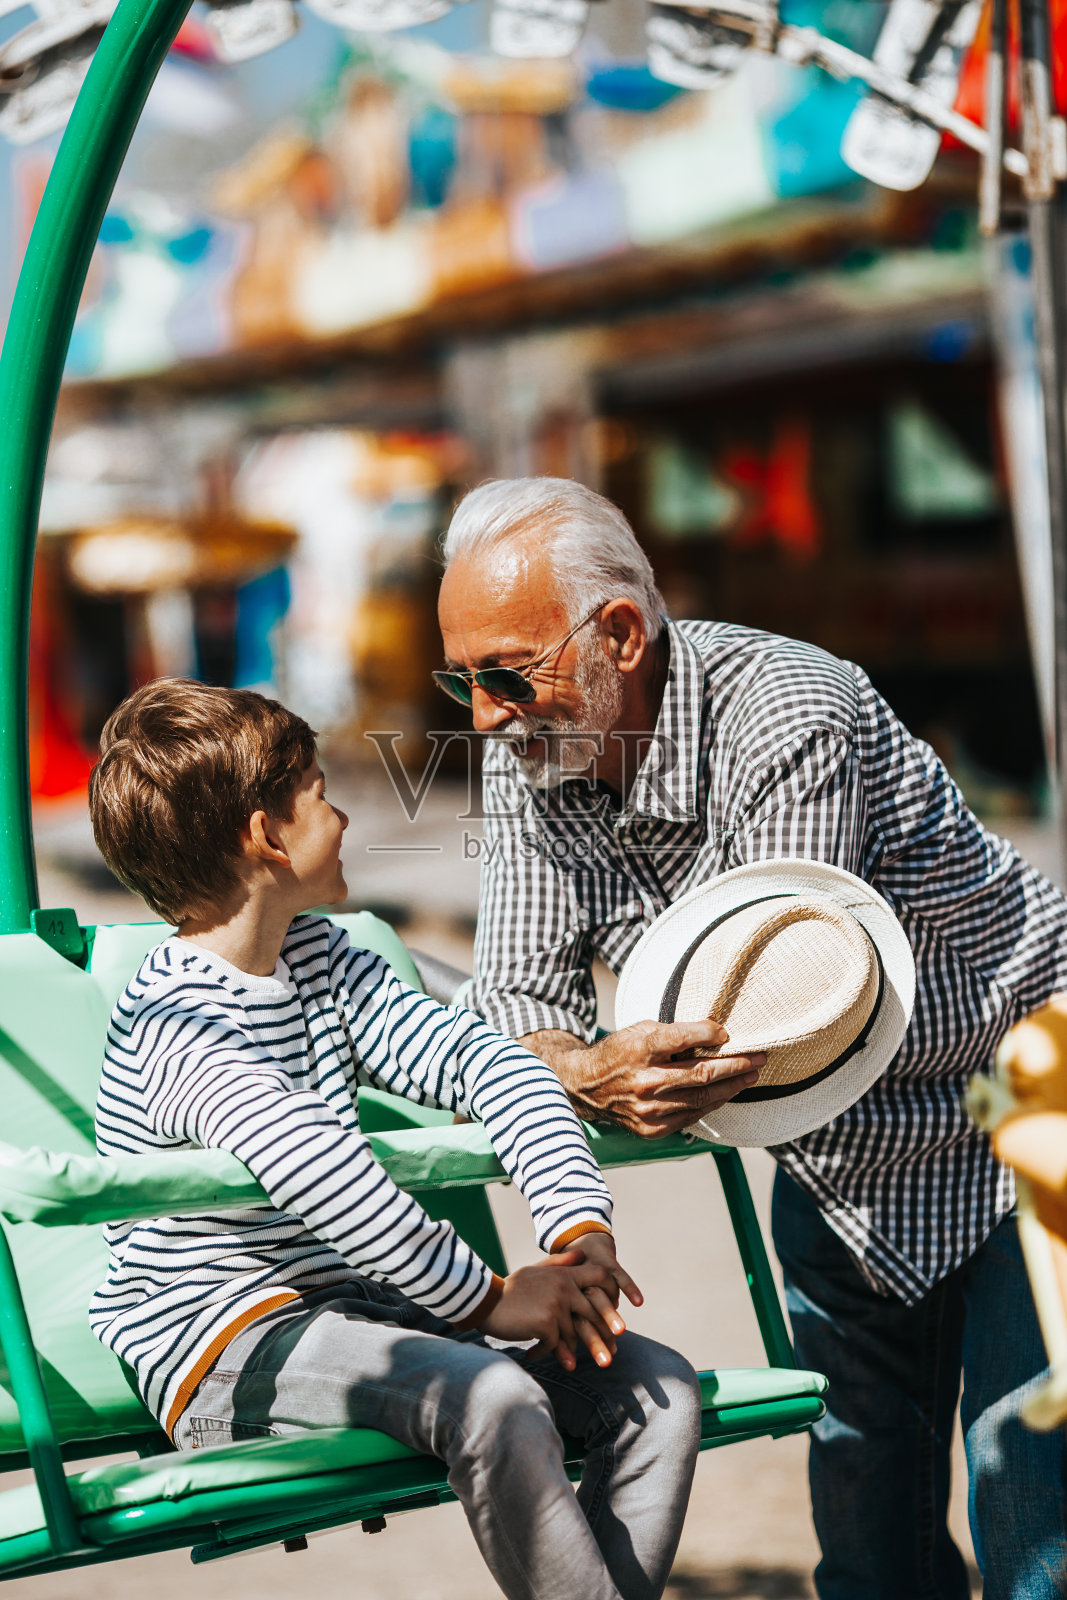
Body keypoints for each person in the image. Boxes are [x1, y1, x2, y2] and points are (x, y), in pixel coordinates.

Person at [435, 475, 1067, 1600]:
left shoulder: (787, 709)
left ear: (618, 634)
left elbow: (772, 1013)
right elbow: (509, 1006)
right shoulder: (527, 751)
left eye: (506, 674)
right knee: (868, 1545)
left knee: (1030, 1519)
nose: (483, 714)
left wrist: (595, 1059)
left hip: (1022, 1103)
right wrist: (582, 1064)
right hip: (837, 1157)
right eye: (462, 679)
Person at [86, 677, 702, 1600]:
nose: (341, 817)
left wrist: (578, 1227)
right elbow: (323, 1175)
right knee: (492, 1396)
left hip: (364, 1314)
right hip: (224, 1350)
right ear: (266, 837)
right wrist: (490, 1302)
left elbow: (489, 1065)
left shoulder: (322, 960)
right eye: (319, 796)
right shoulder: (180, 1028)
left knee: (657, 1388)